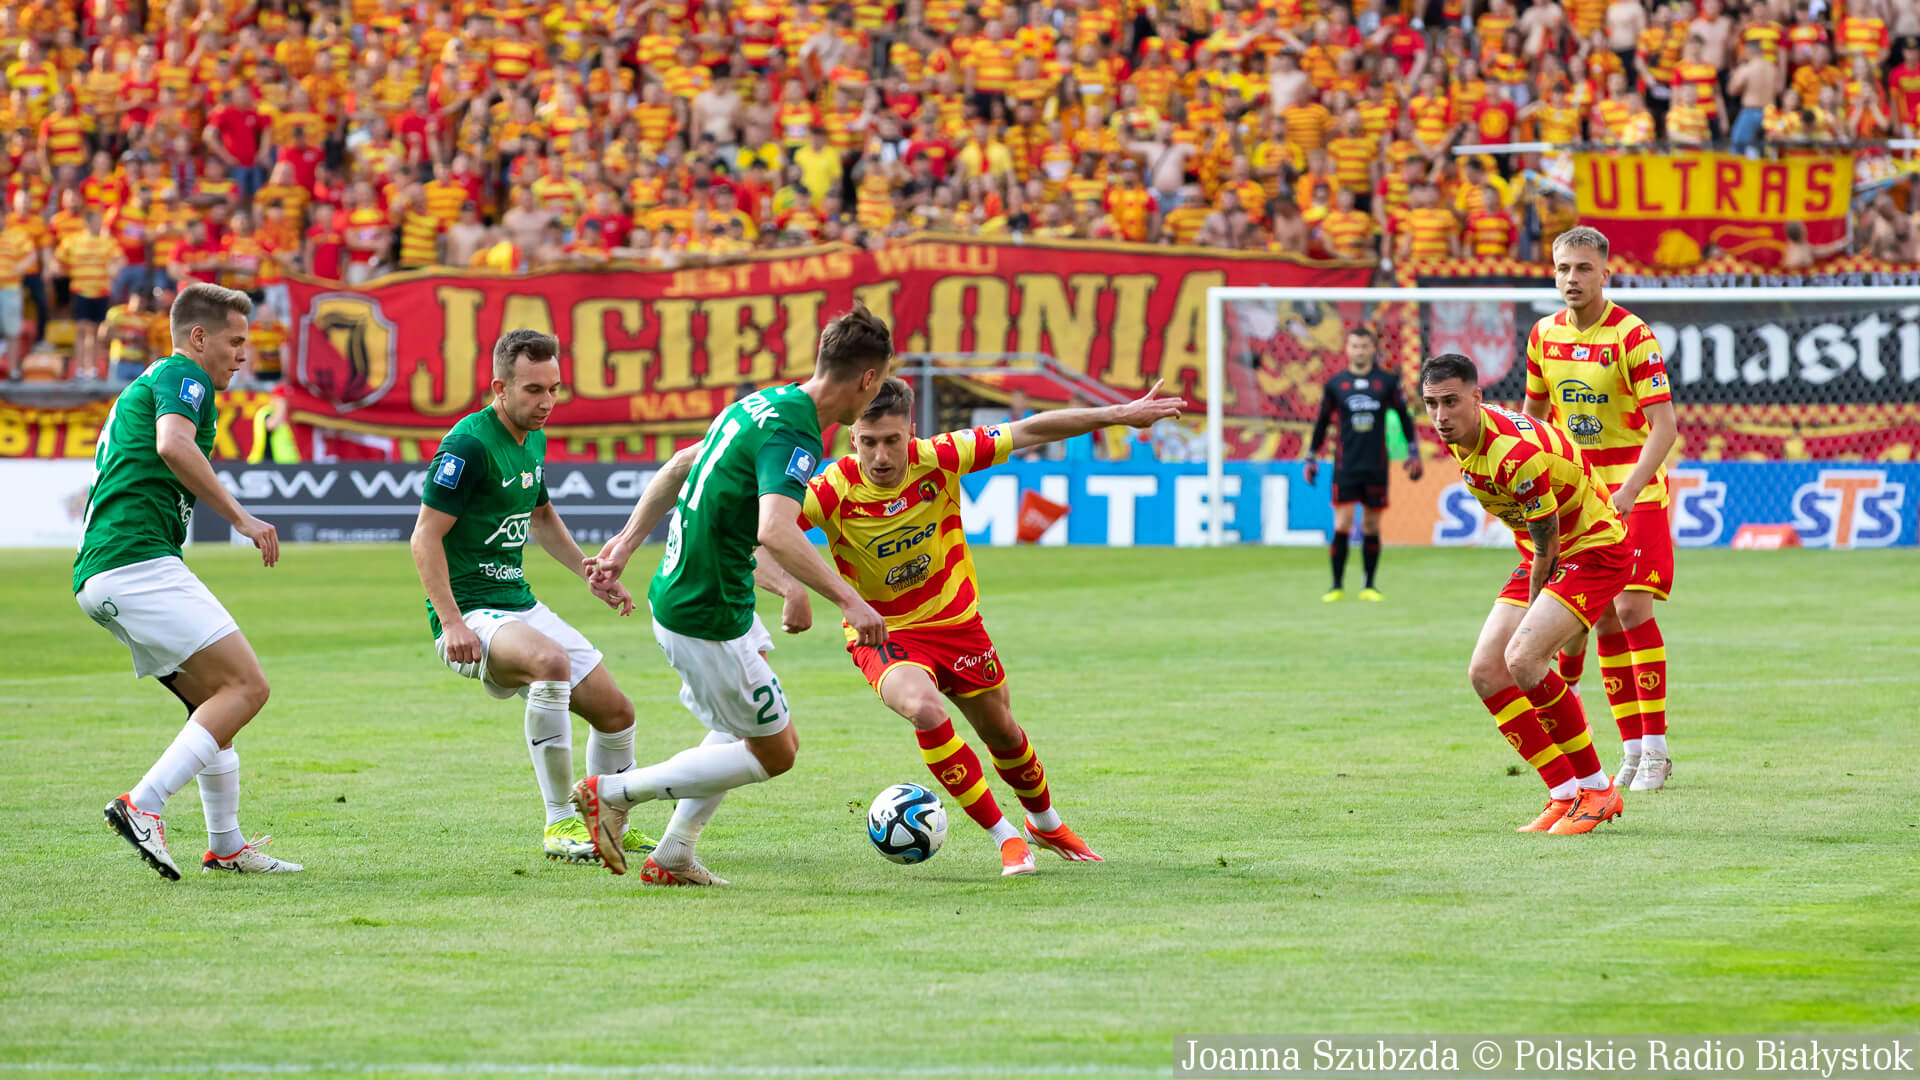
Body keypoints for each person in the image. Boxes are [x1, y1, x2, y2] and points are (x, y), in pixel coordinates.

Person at [794, 376, 1181, 875]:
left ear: (911, 432)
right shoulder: (829, 490)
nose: (881, 457)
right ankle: (1006, 837)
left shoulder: (941, 457)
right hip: (885, 634)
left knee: (1004, 733)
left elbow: (1031, 430)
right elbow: (761, 534)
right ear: (852, 436)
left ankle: (1044, 822)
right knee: (924, 709)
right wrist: (796, 589)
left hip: (958, 625)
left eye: (892, 441)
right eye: (869, 442)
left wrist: (1120, 414)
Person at [575, 304, 894, 885]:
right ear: (868, 379)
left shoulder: (759, 403)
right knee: (777, 752)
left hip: (700, 594)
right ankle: (614, 792)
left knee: (744, 716)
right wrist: (849, 600)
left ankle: (674, 853)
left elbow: (682, 464)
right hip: (706, 611)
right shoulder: (795, 433)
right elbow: (775, 528)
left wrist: (623, 545)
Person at [74, 282, 298, 878]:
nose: (244, 354)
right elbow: (172, 444)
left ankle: (226, 845)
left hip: (109, 571)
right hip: (137, 562)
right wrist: (241, 518)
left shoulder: (158, 380)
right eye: (235, 341)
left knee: (214, 702)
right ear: (198, 338)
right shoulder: (183, 375)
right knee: (247, 687)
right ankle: (142, 804)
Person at [410, 329, 656, 865]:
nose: (546, 402)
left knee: (617, 713)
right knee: (550, 662)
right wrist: (451, 623)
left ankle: (609, 824)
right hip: (471, 612)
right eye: (533, 390)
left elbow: (541, 515)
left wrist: (588, 571)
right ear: (499, 388)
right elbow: (424, 537)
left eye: (554, 389)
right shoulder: (468, 445)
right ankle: (559, 821)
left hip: (517, 604)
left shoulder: (532, 438)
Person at [1419, 353, 1628, 836]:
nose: (1440, 416)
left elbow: (1549, 544)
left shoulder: (1514, 455)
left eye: (1451, 402)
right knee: (1486, 672)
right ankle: (1564, 793)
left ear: (1477, 397)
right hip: (1547, 552)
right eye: (1431, 404)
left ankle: (1598, 790)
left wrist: (1537, 628)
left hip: (1593, 548)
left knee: (1525, 658)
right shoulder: (1462, 439)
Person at [1523, 226, 1679, 794]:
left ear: (1605, 274)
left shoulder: (1633, 336)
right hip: (1581, 498)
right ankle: (1632, 751)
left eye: (1584, 268)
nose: (1572, 278)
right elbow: (1533, 422)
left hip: (1635, 492)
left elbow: (1665, 427)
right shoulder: (1543, 335)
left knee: (1634, 609)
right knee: (1606, 617)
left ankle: (1657, 749)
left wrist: (1630, 490)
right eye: (1564, 268)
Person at [1302, 326, 1424, 602]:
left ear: (1373, 349)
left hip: (1376, 465)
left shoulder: (1386, 382)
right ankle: (1336, 586)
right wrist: (1311, 455)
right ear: (1347, 349)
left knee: (1371, 526)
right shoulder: (1336, 384)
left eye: (1364, 346)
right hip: (1345, 466)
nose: (1359, 351)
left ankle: (1369, 585)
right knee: (1342, 524)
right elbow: (1322, 422)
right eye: (1355, 346)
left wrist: (1413, 451)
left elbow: (1404, 417)